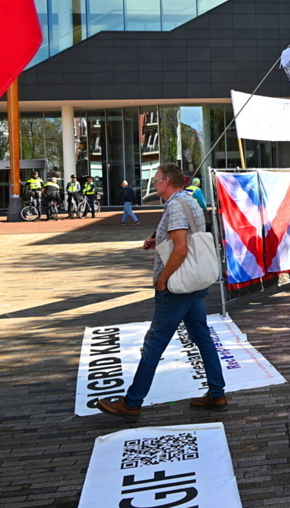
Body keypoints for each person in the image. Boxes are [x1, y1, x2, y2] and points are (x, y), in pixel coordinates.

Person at [96, 163, 227, 419]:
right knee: (202, 338)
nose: (154, 184)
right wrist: (159, 239)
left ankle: (132, 402)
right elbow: (186, 238)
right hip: (194, 282)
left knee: (155, 343)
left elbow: (181, 249)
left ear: (167, 181)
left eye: (156, 180)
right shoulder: (189, 202)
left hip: (178, 284)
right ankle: (216, 392)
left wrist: (162, 280)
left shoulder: (177, 206)